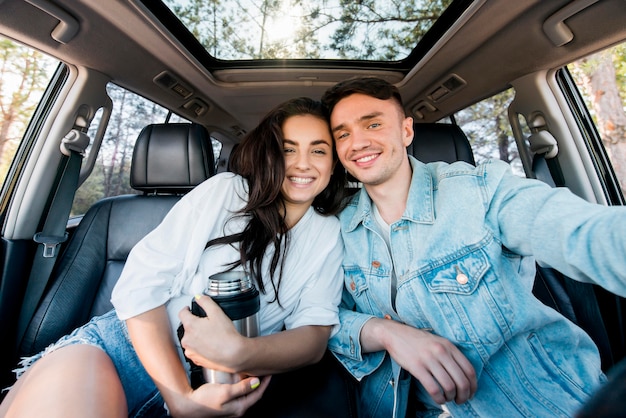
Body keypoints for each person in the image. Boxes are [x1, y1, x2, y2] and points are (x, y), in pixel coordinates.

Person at [0, 97, 347, 417]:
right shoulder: (226, 192)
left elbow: (313, 336)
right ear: (270, 155)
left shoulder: (328, 233)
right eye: (288, 149)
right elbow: (140, 288)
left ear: (334, 162)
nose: (303, 164)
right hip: (124, 355)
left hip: (221, 386)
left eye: (318, 151)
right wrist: (178, 396)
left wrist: (240, 353)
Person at [321, 76, 626, 417]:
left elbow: (584, 234)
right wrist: (385, 332)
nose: (357, 142)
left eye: (373, 124)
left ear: (406, 131)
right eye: (342, 134)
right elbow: (323, 318)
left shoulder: (479, 192)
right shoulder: (339, 228)